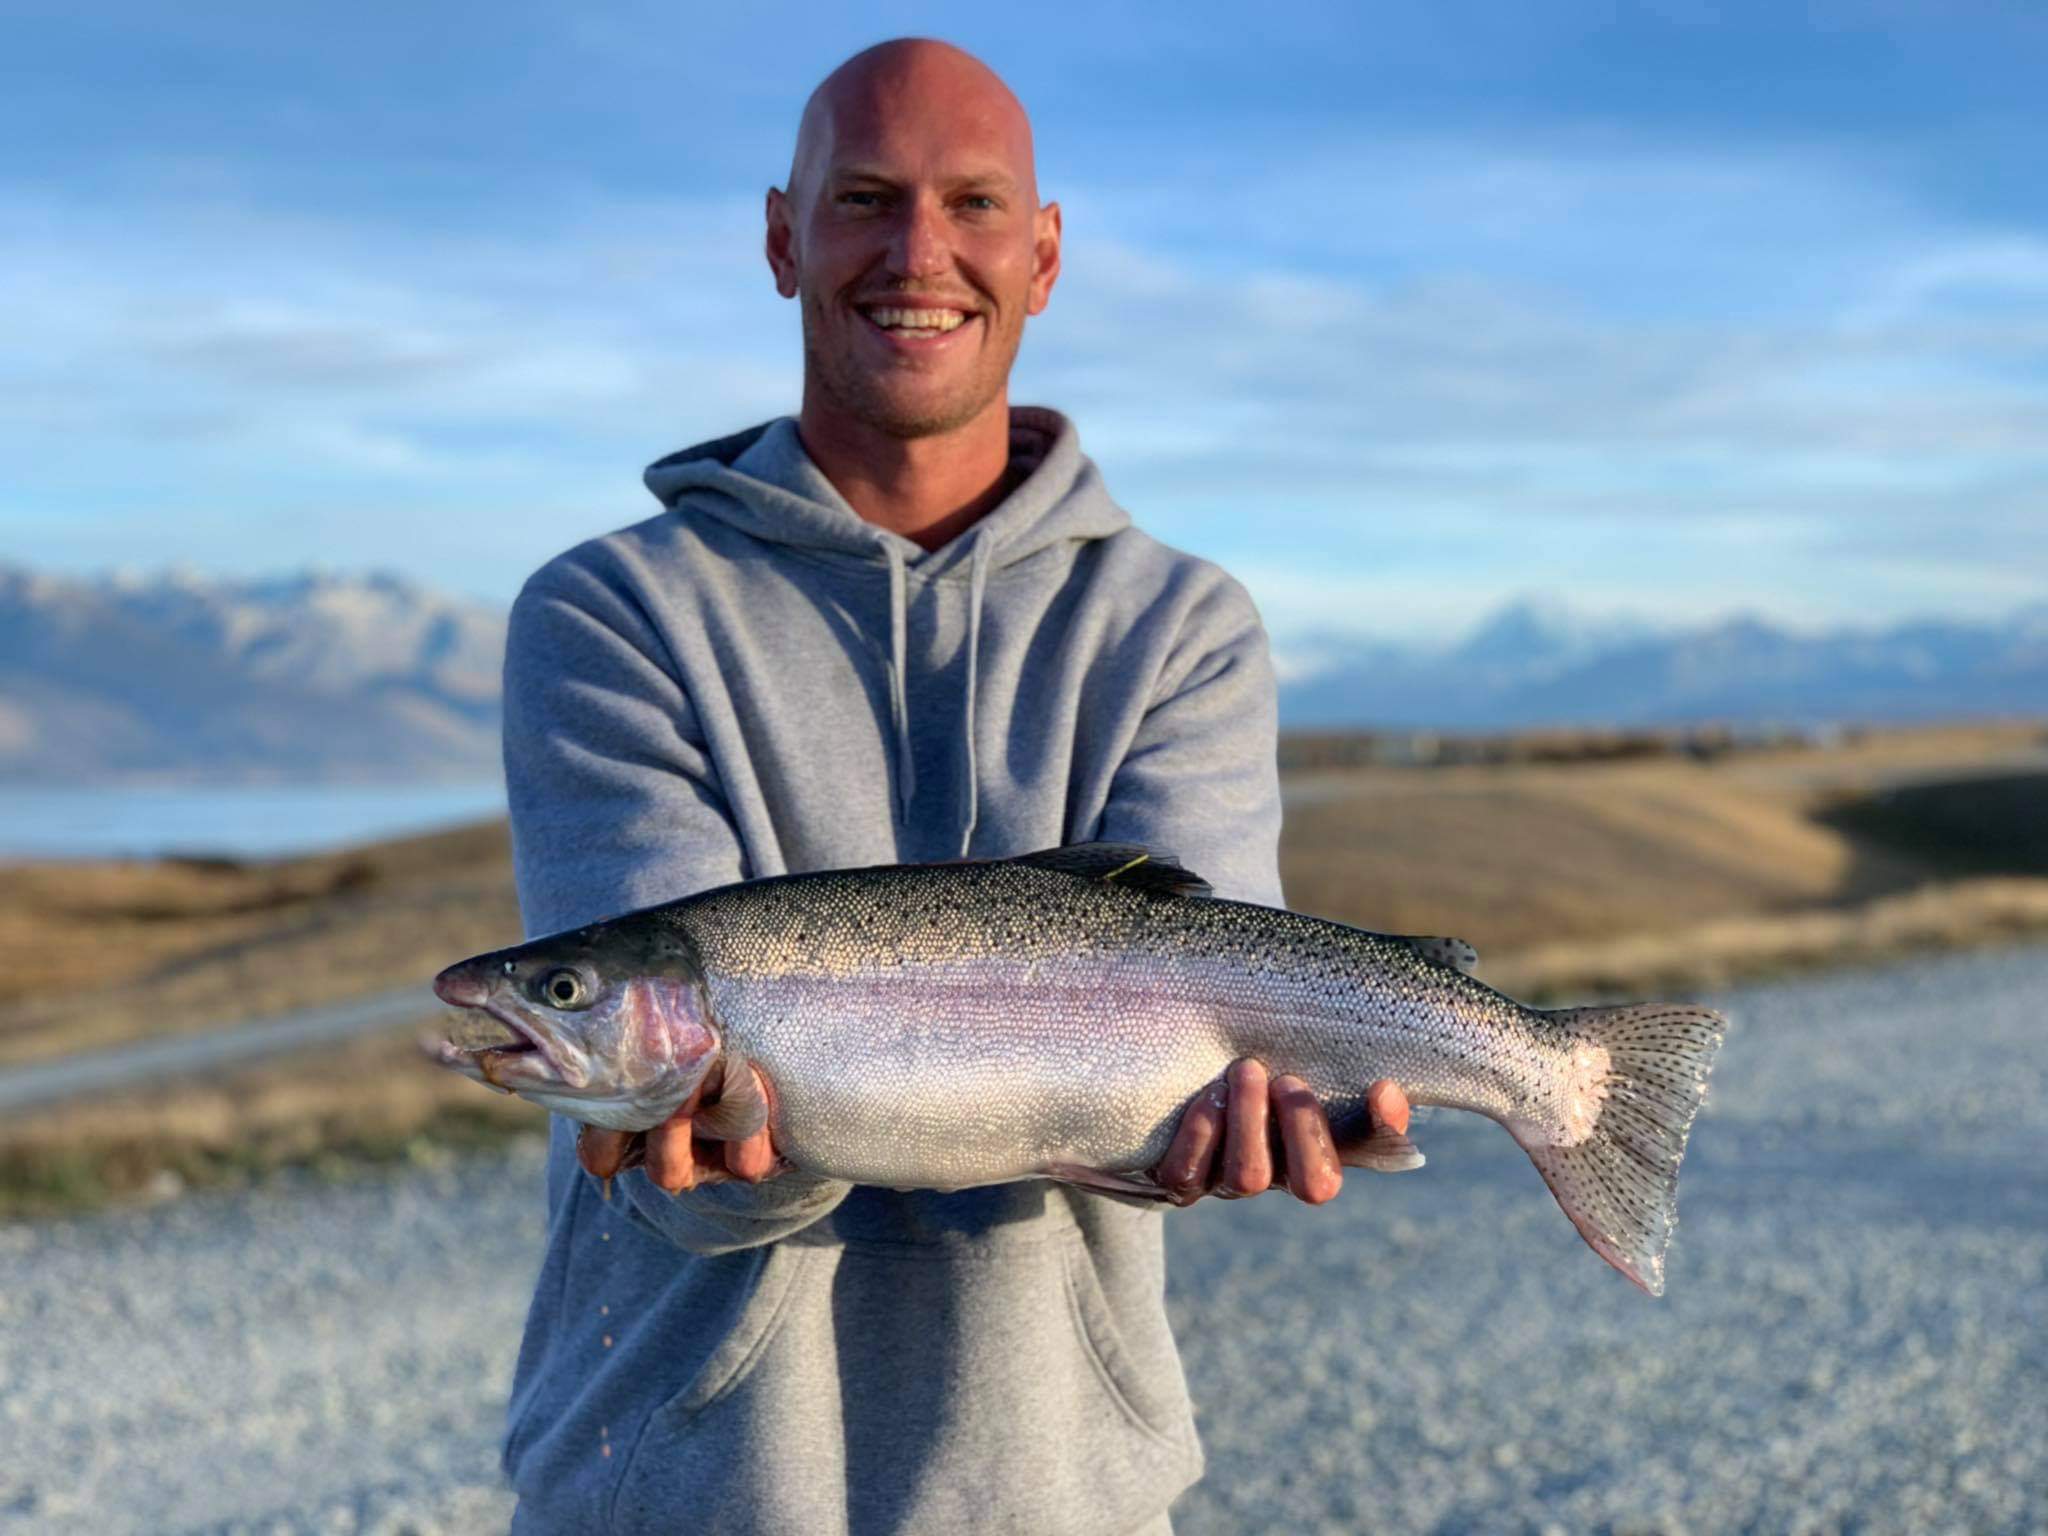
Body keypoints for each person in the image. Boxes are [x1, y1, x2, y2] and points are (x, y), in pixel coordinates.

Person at [496, 37, 1414, 1535]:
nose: (920, 252)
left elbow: (1225, 1004)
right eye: (864, 198)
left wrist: (1227, 1132)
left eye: (973, 205)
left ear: (1042, 257)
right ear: (784, 235)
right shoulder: (612, 613)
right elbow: (655, 1157)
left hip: (1061, 1493)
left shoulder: (1180, 627)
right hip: (666, 1493)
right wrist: (708, 1145)